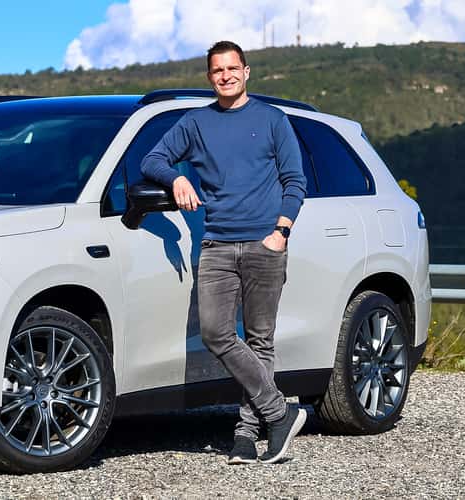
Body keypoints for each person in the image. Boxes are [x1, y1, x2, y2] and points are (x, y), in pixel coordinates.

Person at [140, 40, 308, 465]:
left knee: (260, 340)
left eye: (233, 68)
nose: (226, 76)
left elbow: (295, 181)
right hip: (216, 244)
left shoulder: (272, 120)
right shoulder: (196, 123)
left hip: (264, 242)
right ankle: (280, 413)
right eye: (218, 70)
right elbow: (152, 159)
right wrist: (176, 179)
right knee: (216, 333)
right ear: (209, 77)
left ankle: (246, 436)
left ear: (246, 72)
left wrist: (281, 232)